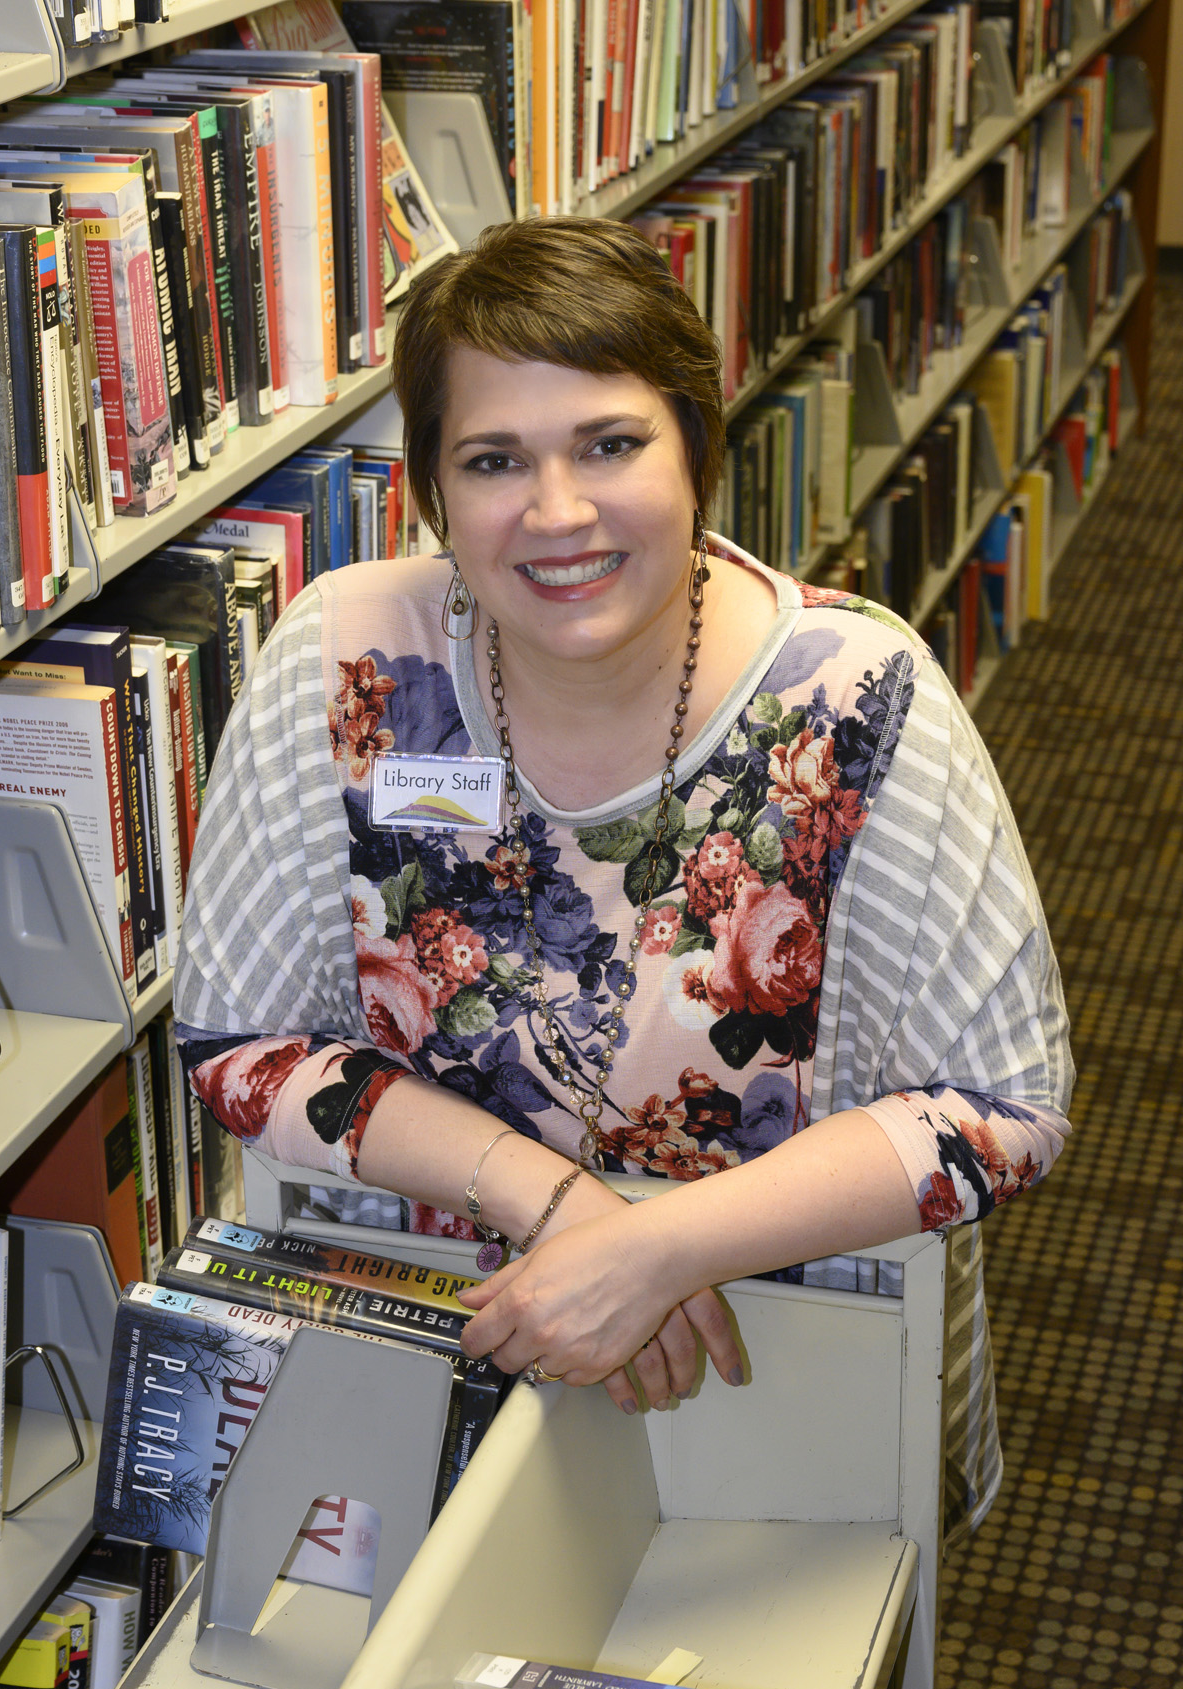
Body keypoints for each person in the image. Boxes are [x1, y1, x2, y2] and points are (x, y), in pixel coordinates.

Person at [173, 216, 1072, 1542]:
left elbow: (1006, 1108)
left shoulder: (861, 697)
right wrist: (560, 1208)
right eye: (493, 460)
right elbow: (236, 1041)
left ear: (697, 446)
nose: (558, 513)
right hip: (436, 1325)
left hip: (774, 1340)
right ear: (430, 488)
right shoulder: (345, 661)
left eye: (609, 442)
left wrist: (660, 1254)